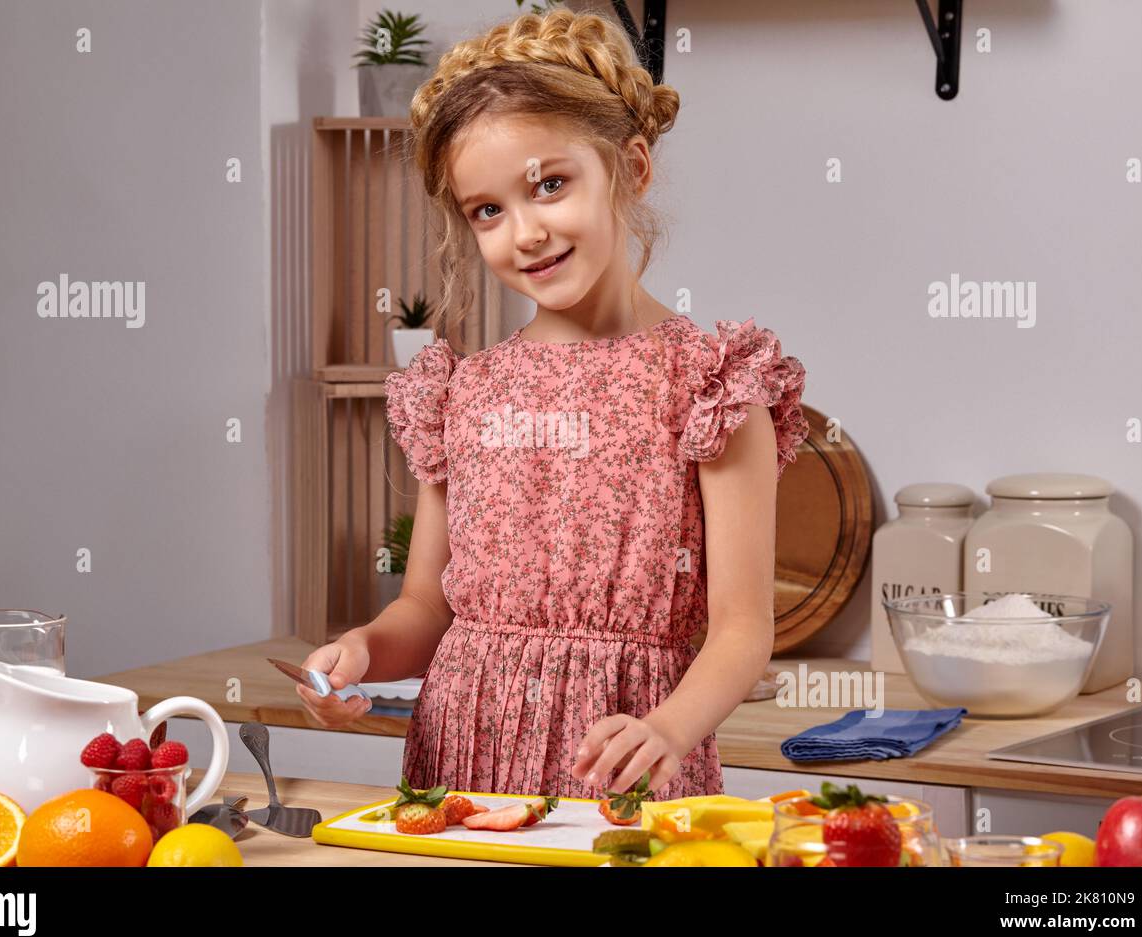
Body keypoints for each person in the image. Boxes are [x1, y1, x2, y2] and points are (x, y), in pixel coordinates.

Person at [296, 8, 808, 801]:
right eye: (488, 211)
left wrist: (669, 728)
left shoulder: (710, 383)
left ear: (631, 169)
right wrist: (361, 650)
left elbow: (744, 628)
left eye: (550, 185)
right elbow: (426, 607)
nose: (524, 232)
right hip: (464, 758)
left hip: (625, 764)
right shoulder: (462, 393)